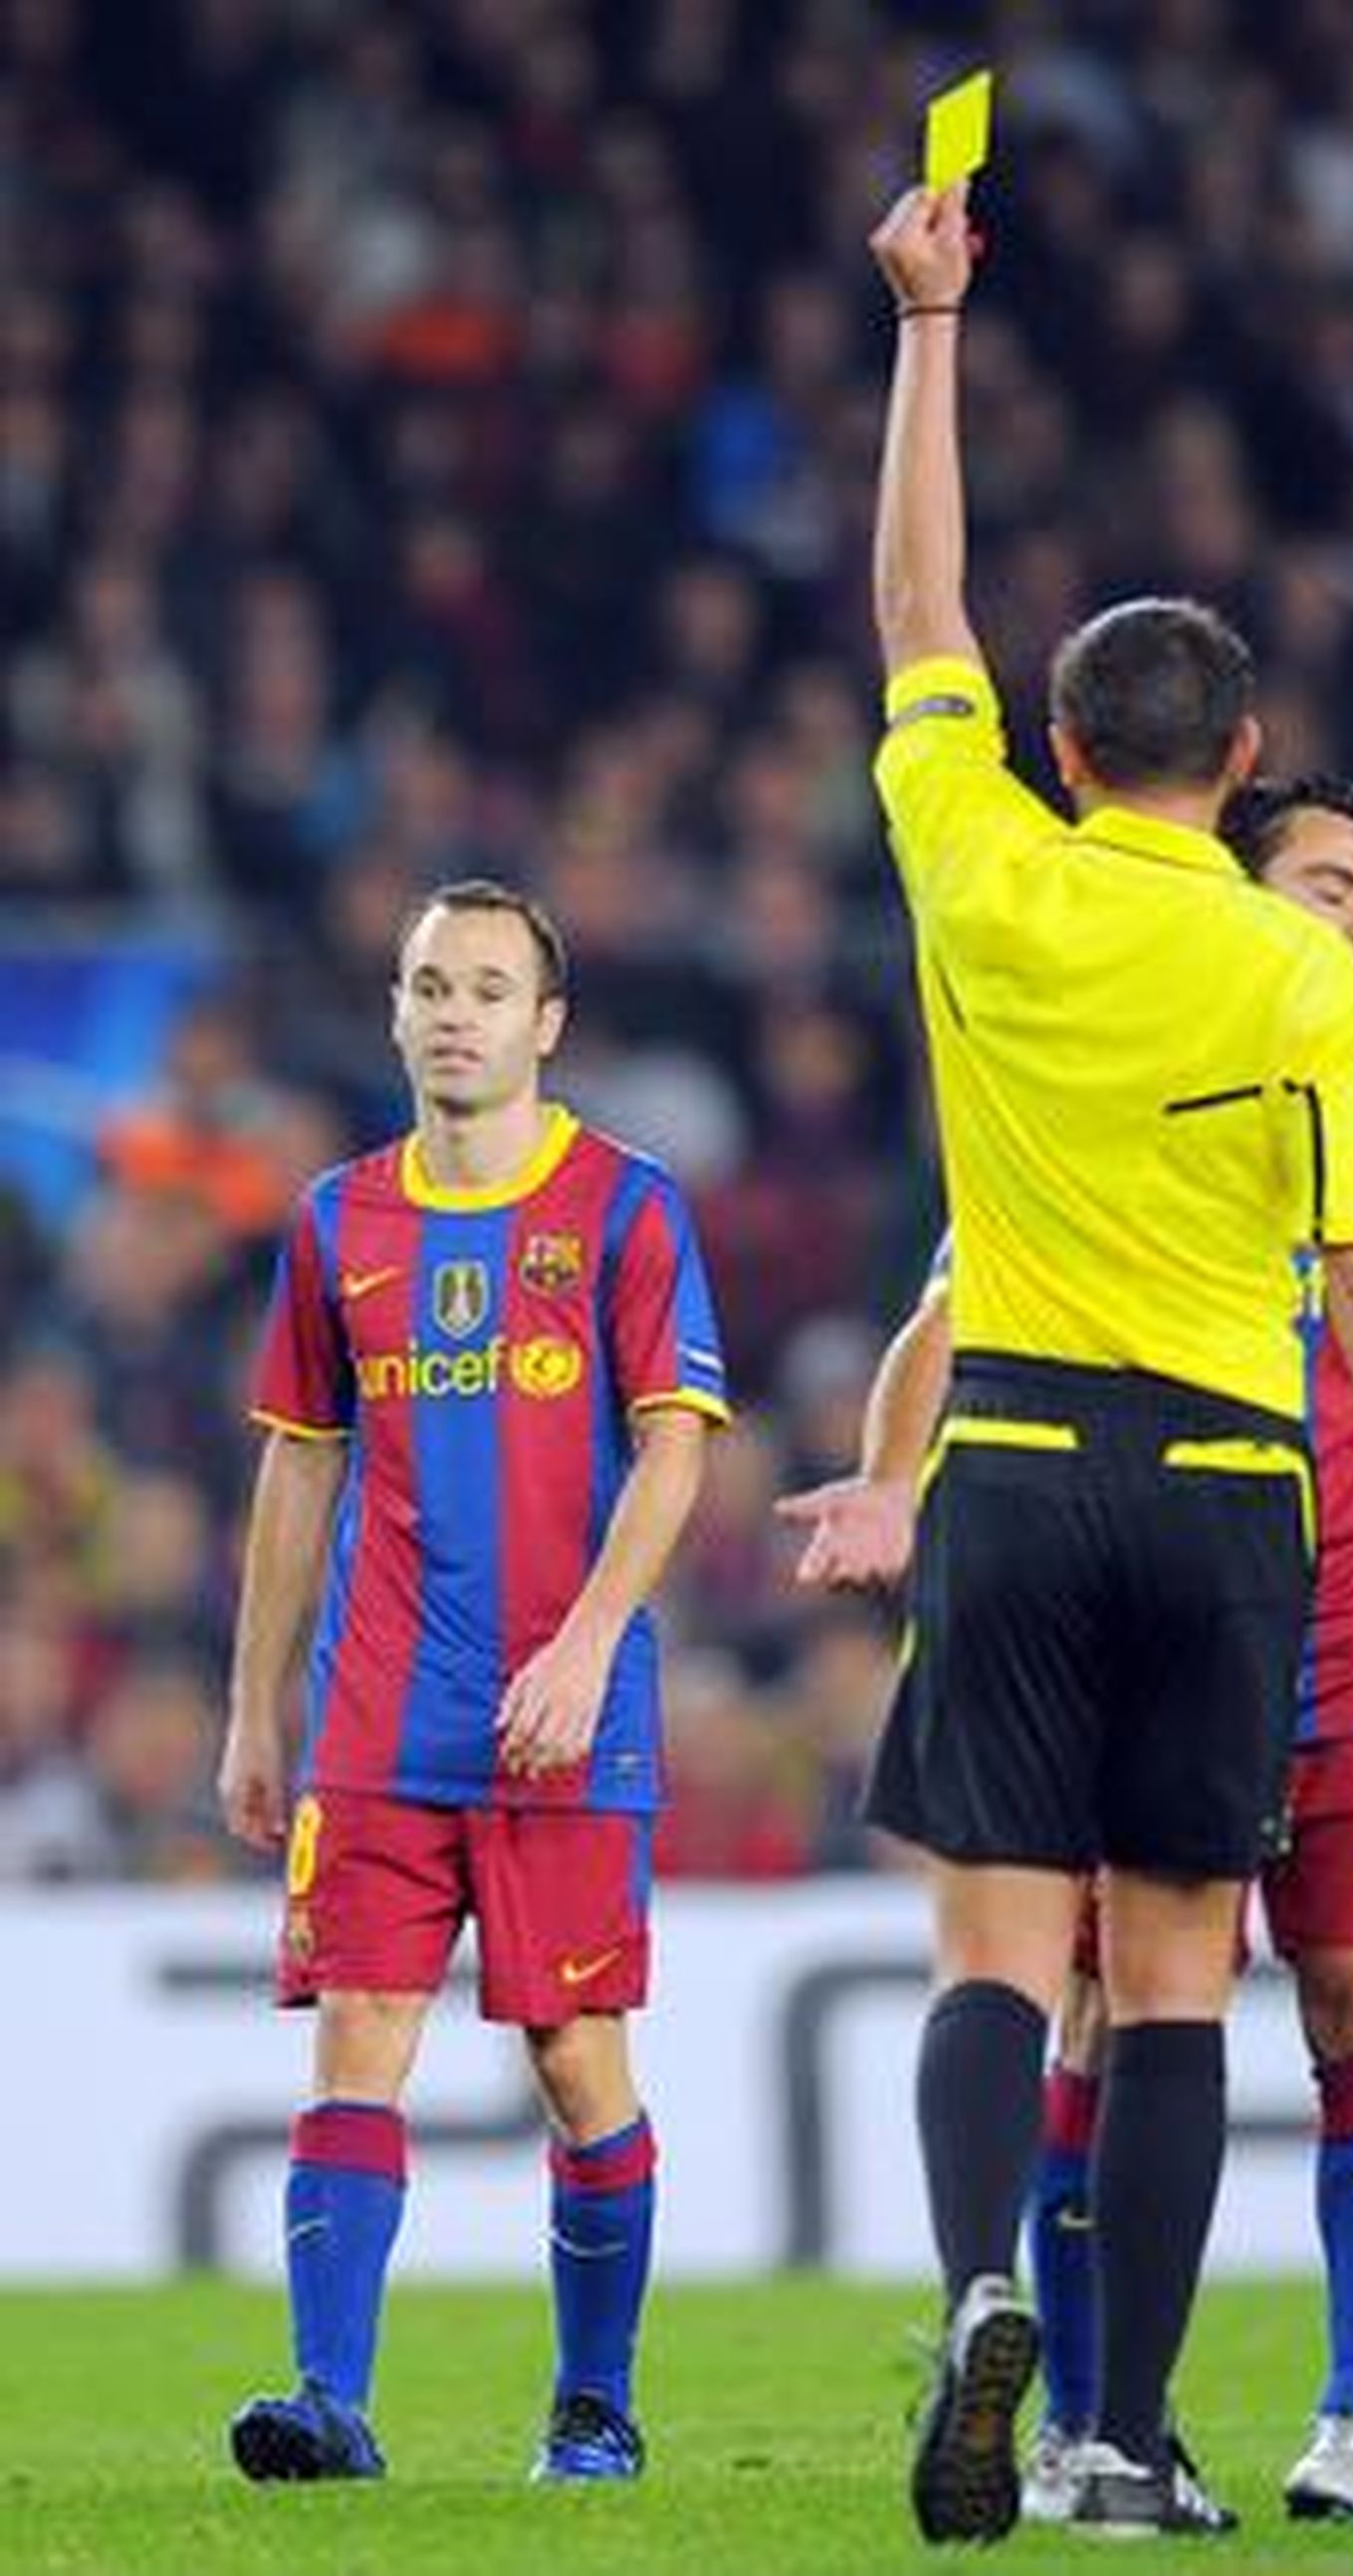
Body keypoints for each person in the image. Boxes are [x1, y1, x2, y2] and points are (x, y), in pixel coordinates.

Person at [851, 175, 1353, 2545]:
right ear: (1238, 759)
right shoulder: (1309, 989)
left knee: (986, 1947)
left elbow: (911, 604)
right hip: (1235, 1497)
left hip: (1018, 1464)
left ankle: (971, 2284)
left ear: (1055, 740)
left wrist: (930, 329)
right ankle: (1119, 2441)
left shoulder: (979, 861)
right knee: (1165, 1984)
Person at [781, 772, 1353, 2528]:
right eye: (1324, 884)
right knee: (1105, 2018)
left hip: (1345, 1636)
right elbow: (950, 1300)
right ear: (1236, 895)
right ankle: (1102, 2427)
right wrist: (893, 1477)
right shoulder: (1124, 1068)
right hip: (1182, 1605)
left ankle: (1351, 2418)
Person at [218, 878, 729, 2485]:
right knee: (357, 2032)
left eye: (489, 990)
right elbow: (300, 1473)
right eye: (431, 984)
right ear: (395, 1009)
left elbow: (676, 1448)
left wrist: (585, 1645)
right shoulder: (335, 1221)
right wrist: (256, 1708)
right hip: (379, 1718)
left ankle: (595, 2404)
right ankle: (329, 2402)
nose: (455, 1013)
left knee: (576, 2059)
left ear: (546, 1027)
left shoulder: (628, 1210)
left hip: (558, 1720)